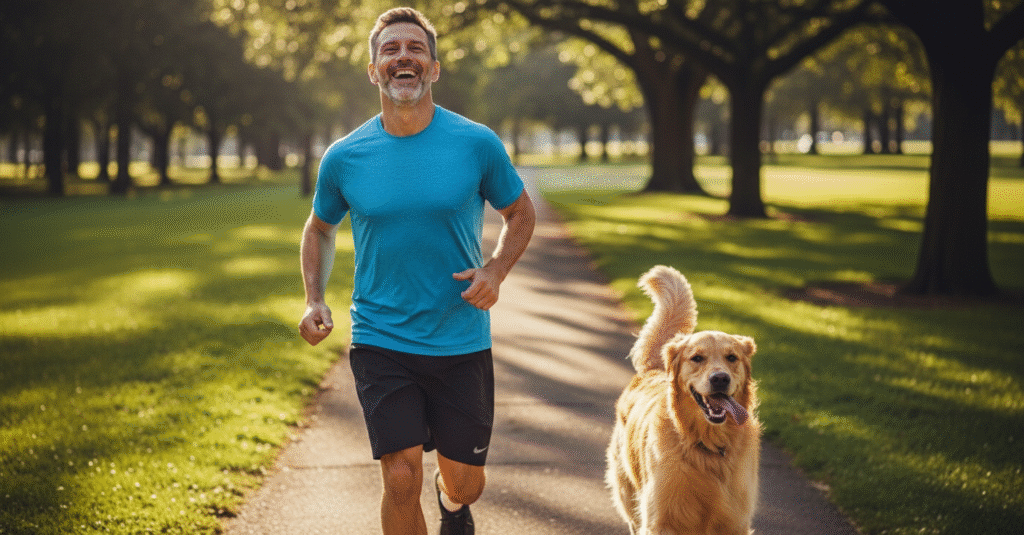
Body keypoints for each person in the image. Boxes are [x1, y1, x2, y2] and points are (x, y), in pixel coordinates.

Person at [298, 7, 535, 535]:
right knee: (400, 477)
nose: (402, 56)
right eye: (390, 49)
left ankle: (453, 506)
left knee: (466, 481)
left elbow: (519, 213)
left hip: (459, 339)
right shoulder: (345, 157)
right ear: (373, 69)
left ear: (433, 67)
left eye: (414, 49)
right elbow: (318, 228)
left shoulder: (476, 143)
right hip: (381, 337)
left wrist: (495, 271)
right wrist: (314, 298)